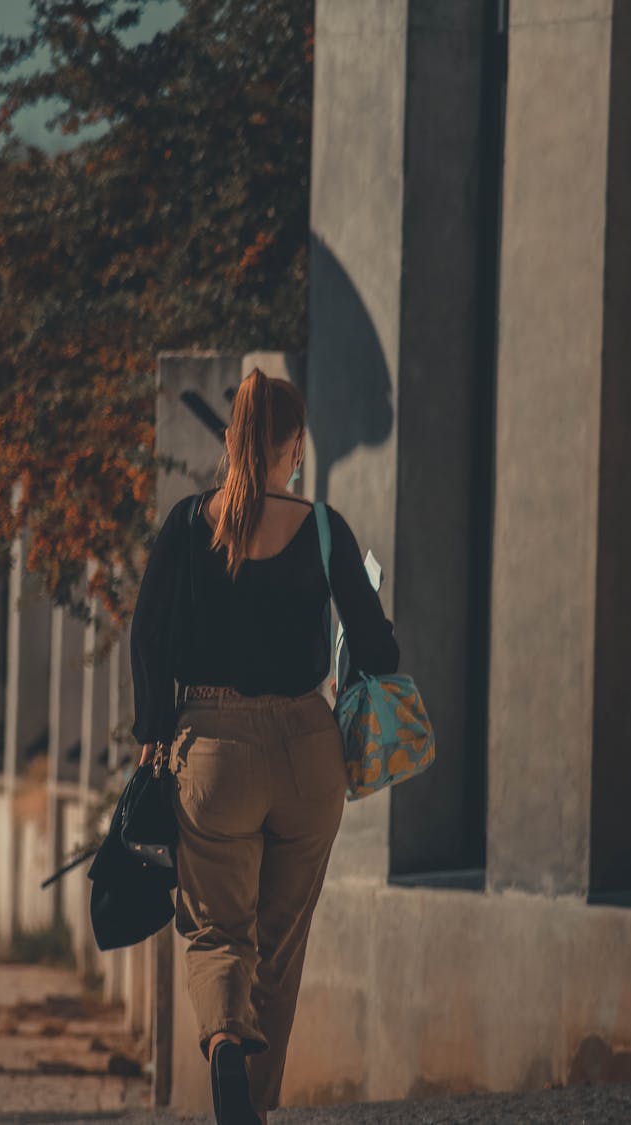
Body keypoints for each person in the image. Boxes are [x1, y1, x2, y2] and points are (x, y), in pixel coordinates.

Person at [130, 368, 399, 1125]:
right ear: (295, 445)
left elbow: (147, 635)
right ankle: (252, 1101)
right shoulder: (322, 527)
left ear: (230, 441)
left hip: (213, 748)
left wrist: (153, 733)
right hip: (309, 755)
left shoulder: (188, 524)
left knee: (219, 930)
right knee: (279, 943)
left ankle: (221, 1042)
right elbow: (376, 650)